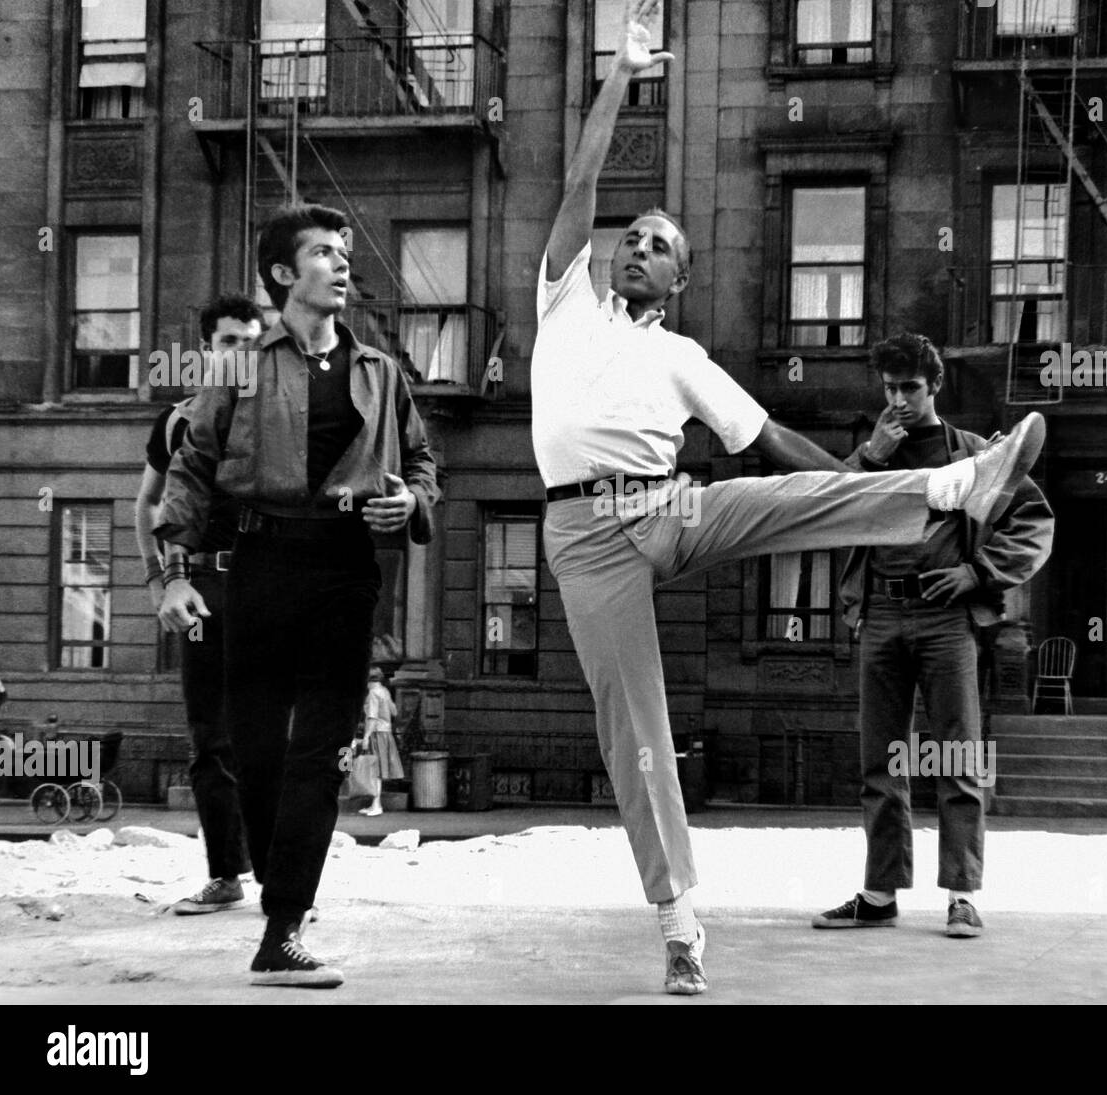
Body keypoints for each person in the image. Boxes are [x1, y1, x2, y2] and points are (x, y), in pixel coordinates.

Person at [534, 0, 1047, 994]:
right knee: (634, 733)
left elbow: (768, 445)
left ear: (680, 280)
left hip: (668, 507)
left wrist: (855, 489)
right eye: (632, 236)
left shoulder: (683, 357)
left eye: (658, 244)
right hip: (584, 533)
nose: (635, 246)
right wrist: (622, 73)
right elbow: (580, 176)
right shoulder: (561, 298)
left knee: (791, 494)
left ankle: (951, 482)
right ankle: (679, 922)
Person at [155, 203, 440, 988]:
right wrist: (173, 572)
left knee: (321, 747)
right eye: (323, 252)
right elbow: (190, 470)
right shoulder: (239, 365)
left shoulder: (380, 371)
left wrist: (411, 503)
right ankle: (278, 887)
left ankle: (282, 925)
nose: (344, 263)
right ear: (283, 274)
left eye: (345, 252)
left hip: (346, 566)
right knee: (255, 747)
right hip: (260, 562)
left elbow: (421, 461)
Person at [811, 333, 1054, 938]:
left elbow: (1033, 521)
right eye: (889, 388)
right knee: (880, 761)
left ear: (934, 387)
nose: (897, 400)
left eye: (909, 388)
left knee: (956, 754)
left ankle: (962, 896)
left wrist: (977, 572)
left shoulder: (972, 453)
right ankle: (879, 894)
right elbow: (824, 510)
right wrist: (870, 456)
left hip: (948, 622)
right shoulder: (871, 452)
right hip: (881, 618)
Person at [134, 294, 261, 915]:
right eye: (230, 342)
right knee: (210, 736)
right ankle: (225, 874)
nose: (242, 354)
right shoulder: (178, 421)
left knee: (276, 733)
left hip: (271, 587)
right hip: (204, 588)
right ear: (207, 349)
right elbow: (148, 506)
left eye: (252, 342)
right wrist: (160, 584)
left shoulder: (279, 422)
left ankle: (286, 880)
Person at [357, 668, 402, 817]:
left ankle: (376, 805)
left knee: (375, 771)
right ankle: (375, 804)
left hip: (376, 734)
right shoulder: (384, 691)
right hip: (386, 733)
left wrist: (366, 737)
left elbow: (372, 718)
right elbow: (394, 712)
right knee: (379, 770)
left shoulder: (372, 694)